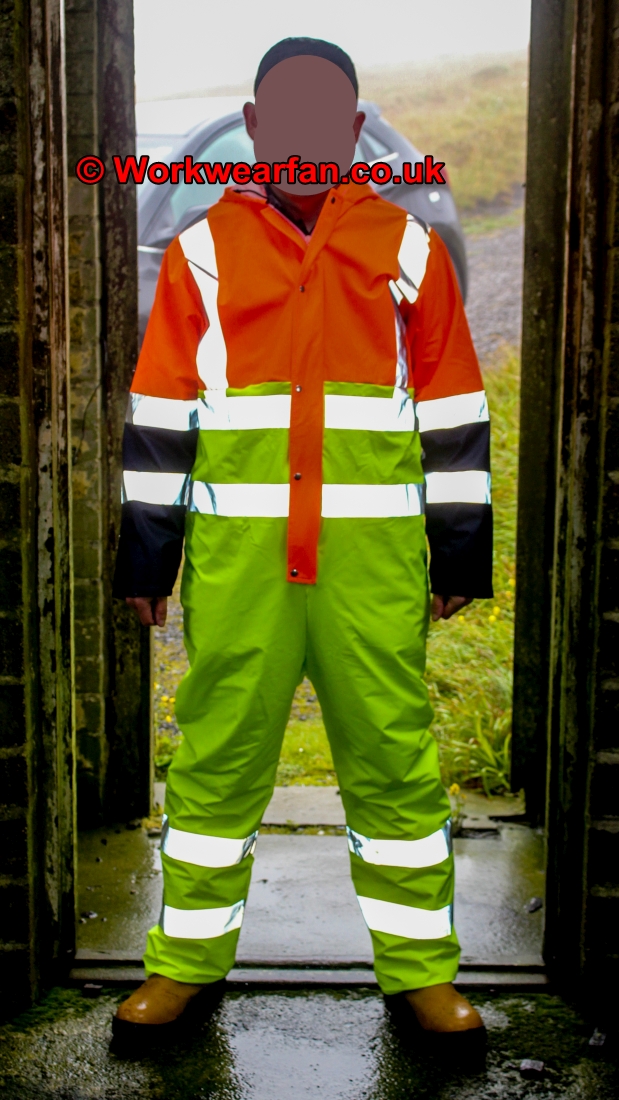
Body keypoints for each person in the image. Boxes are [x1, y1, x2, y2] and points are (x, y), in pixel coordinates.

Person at [112, 37, 493, 1044]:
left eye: (326, 117)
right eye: (286, 116)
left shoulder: (407, 248)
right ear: (253, 125)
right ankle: (183, 966)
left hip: (371, 567)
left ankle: (421, 974)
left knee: (394, 758)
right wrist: (148, 556)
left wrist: (459, 548)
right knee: (216, 758)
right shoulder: (201, 251)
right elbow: (160, 416)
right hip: (241, 566)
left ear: (354, 129)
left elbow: (454, 408)